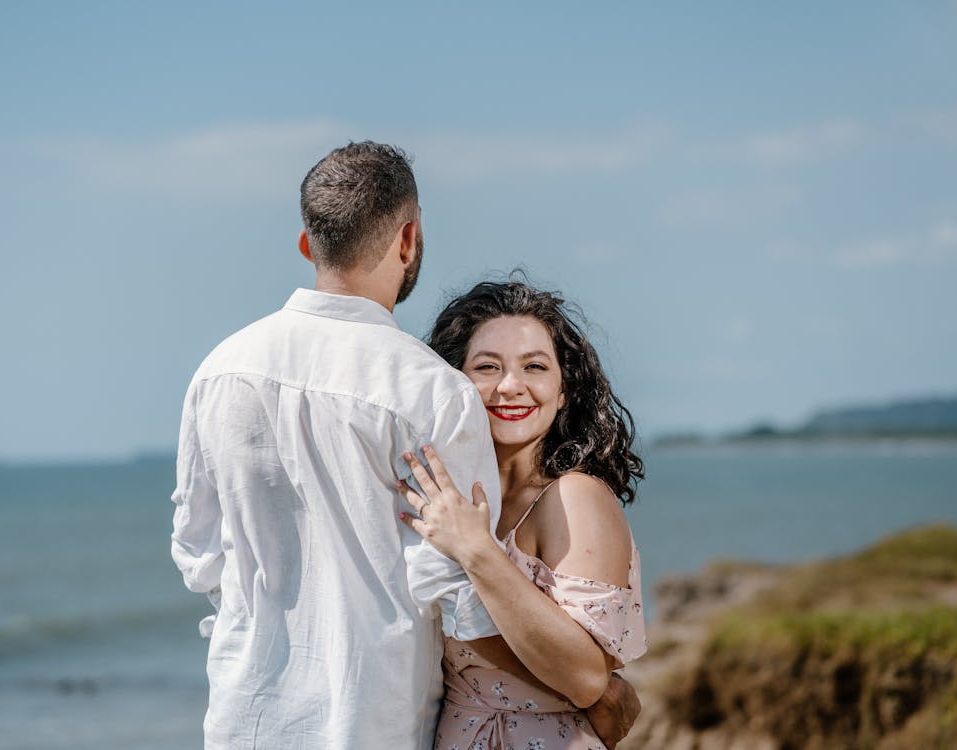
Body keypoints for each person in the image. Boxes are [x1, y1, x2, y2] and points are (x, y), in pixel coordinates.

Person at [170, 142, 638, 749]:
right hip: (377, 723)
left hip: (246, 719)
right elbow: (458, 598)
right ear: (408, 239)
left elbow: (199, 555)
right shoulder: (431, 391)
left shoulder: (219, 371)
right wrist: (593, 689)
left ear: (308, 244)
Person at [398, 279, 647, 750]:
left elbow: (586, 676)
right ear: (454, 385)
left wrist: (476, 550)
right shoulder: (446, 497)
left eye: (535, 367)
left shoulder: (574, 497)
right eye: (487, 367)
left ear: (563, 391)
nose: (511, 387)